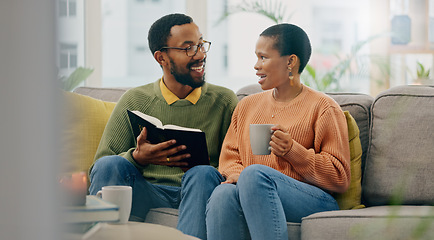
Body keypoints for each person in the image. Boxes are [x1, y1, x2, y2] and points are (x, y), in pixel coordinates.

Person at [88, 13, 238, 239]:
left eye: (201, 44)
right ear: (161, 58)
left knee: (202, 173)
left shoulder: (224, 101)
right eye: (188, 48)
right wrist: (138, 158)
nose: (200, 54)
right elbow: (101, 166)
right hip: (148, 190)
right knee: (110, 164)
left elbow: (238, 159)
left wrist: (211, 170)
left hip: (200, 189)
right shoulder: (135, 100)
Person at [204, 23, 351, 240]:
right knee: (223, 193)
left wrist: (293, 150)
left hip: (311, 198)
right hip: (252, 188)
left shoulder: (323, 108)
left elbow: (340, 176)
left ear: (290, 61)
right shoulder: (246, 106)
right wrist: (235, 176)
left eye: (263, 57)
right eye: (256, 57)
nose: (256, 65)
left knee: (254, 174)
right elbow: (229, 157)